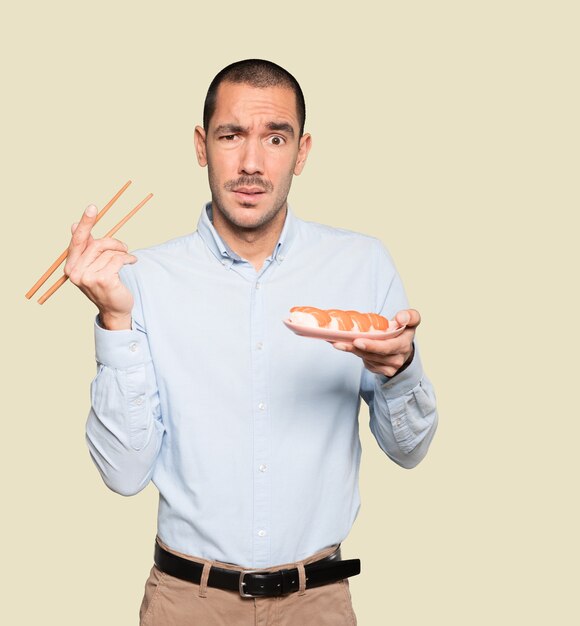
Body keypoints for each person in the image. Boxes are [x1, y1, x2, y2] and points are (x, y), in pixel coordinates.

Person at [65, 59, 438, 625]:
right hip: (186, 602)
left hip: (318, 601)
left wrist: (400, 368)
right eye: (231, 135)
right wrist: (115, 321)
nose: (251, 164)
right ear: (201, 145)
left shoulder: (362, 264)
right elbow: (122, 474)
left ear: (303, 151)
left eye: (276, 138)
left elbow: (410, 451)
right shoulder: (141, 279)